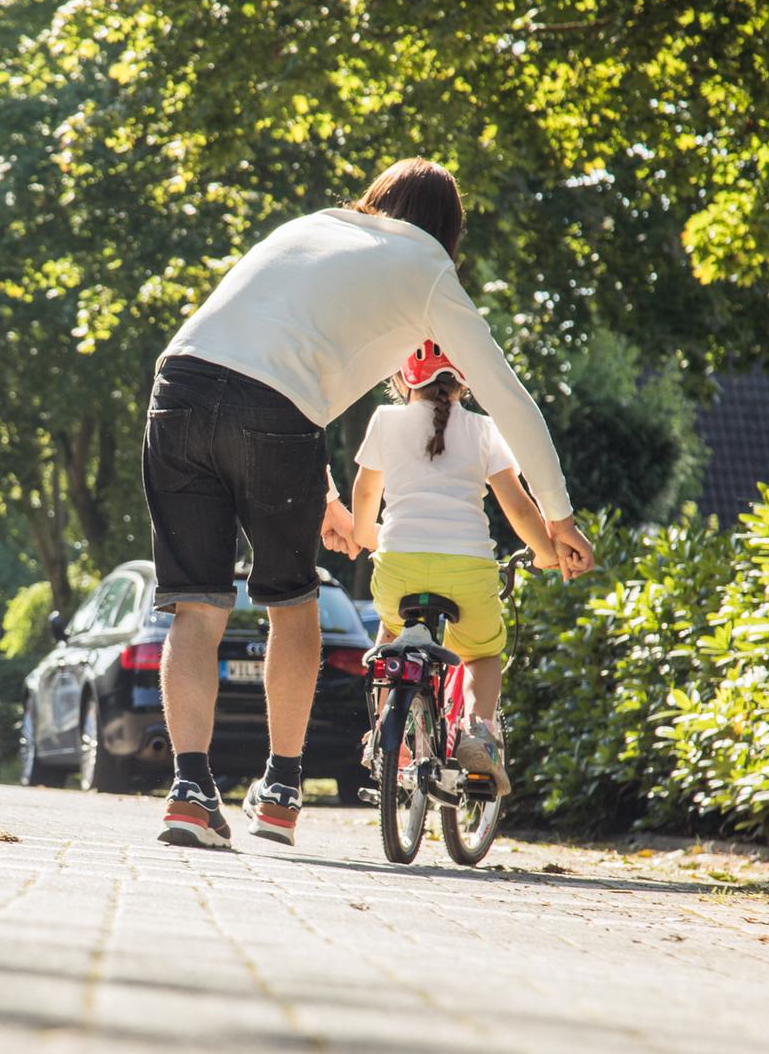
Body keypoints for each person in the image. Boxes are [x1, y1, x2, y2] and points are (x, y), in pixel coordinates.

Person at [143, 157, 593, 849]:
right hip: (272, 412)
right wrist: (556, 513)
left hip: (177, 389)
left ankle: (190, 792)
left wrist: (321, 487)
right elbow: (507, 395)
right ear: (449, 230)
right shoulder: (429, 270)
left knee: (196, 608)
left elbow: (270, 356)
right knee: (291, 604)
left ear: (378, 199)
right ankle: (283, 790)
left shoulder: (315, 226)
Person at [350, 341, 569, 798]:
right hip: (468, 569)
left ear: (402, 379)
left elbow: (366, 494)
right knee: (482, 654)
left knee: (391, 634)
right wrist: (546, 552)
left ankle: (383, 742)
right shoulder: (485, 430)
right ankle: (477, 736)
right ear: (464, 381)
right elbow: (519, 508)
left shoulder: (384, 421)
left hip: (398, 567)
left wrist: (365, 535)